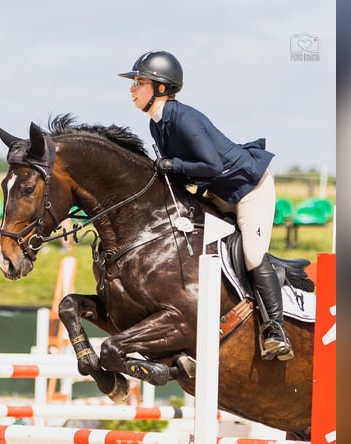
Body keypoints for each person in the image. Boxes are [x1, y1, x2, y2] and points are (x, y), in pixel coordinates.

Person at [119, 50, 293, 361]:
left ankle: (275, 330)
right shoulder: (156, 124)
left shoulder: (184, 118)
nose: (132, 88)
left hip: (249, 189)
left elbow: (210, 165)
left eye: (138, 82)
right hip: (217, 191)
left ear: (160, 87)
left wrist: (171, 164)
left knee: (252, 255)